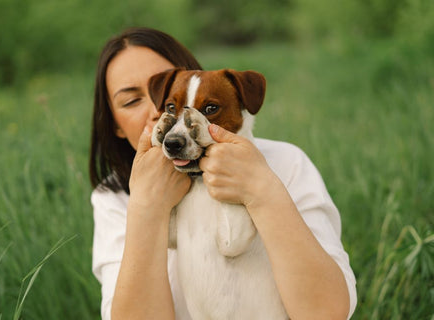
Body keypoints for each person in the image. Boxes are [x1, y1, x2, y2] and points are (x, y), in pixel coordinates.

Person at [89, 27, 357, 320]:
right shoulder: (113, 199)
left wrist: (262, 190)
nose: (159, 114)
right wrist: (146, 207)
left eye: (208, 107)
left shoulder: (286, 163)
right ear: (114, 124)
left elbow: (328, 313)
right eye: (132, 101)